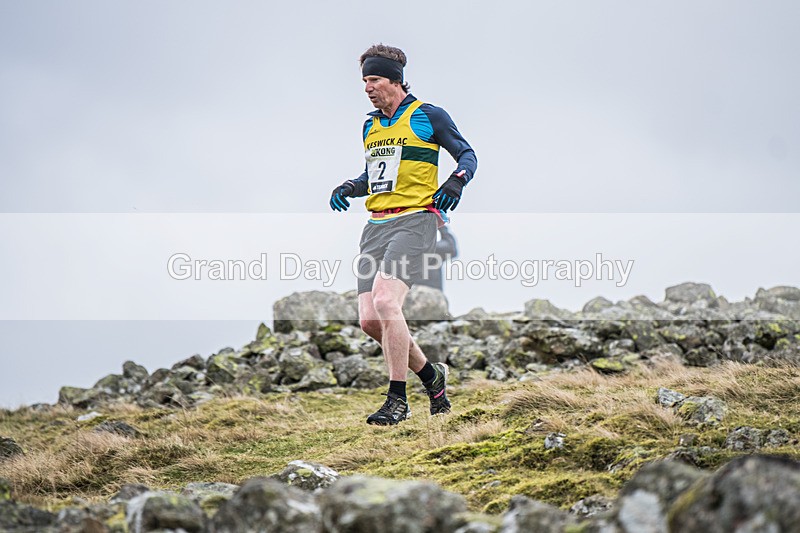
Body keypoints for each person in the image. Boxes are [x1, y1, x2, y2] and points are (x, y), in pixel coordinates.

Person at [329, 44, 477, 425]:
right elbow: (376, 176)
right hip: (375, 226)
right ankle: (431, 376)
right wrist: (351, 186)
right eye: (364, 81)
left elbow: (467, 155)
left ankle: (398, 399)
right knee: (369, 321)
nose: (367, 88)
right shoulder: (370, 126)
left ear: (395, 80)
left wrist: (456, 182)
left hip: (415, 221)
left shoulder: (427, 115)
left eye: (374, 79)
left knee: (386, 300)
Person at [416, 226, 458, 292]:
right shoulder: (429, 248)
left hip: (409, 293)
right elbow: (451, 248)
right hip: (428, 292)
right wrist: (441, 226)